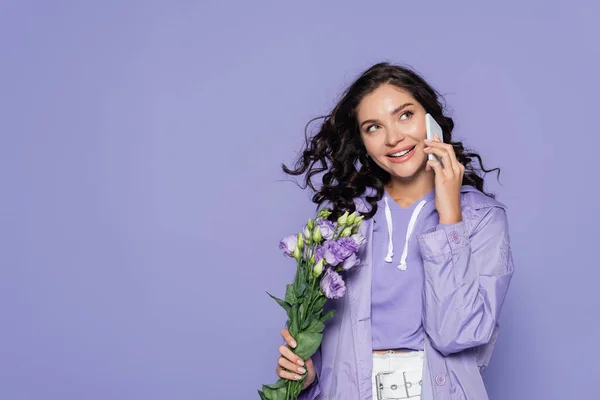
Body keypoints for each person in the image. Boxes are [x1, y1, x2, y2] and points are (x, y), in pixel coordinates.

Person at [274, 62, 515, 399]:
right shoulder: (343, 218)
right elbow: (329, 335)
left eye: (405, 115)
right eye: (374, 127)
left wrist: (449, 216)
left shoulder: (481, 218)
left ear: (431, 119)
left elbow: (457, 335)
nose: (393, 138)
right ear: (362, 140)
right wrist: (309, 374)